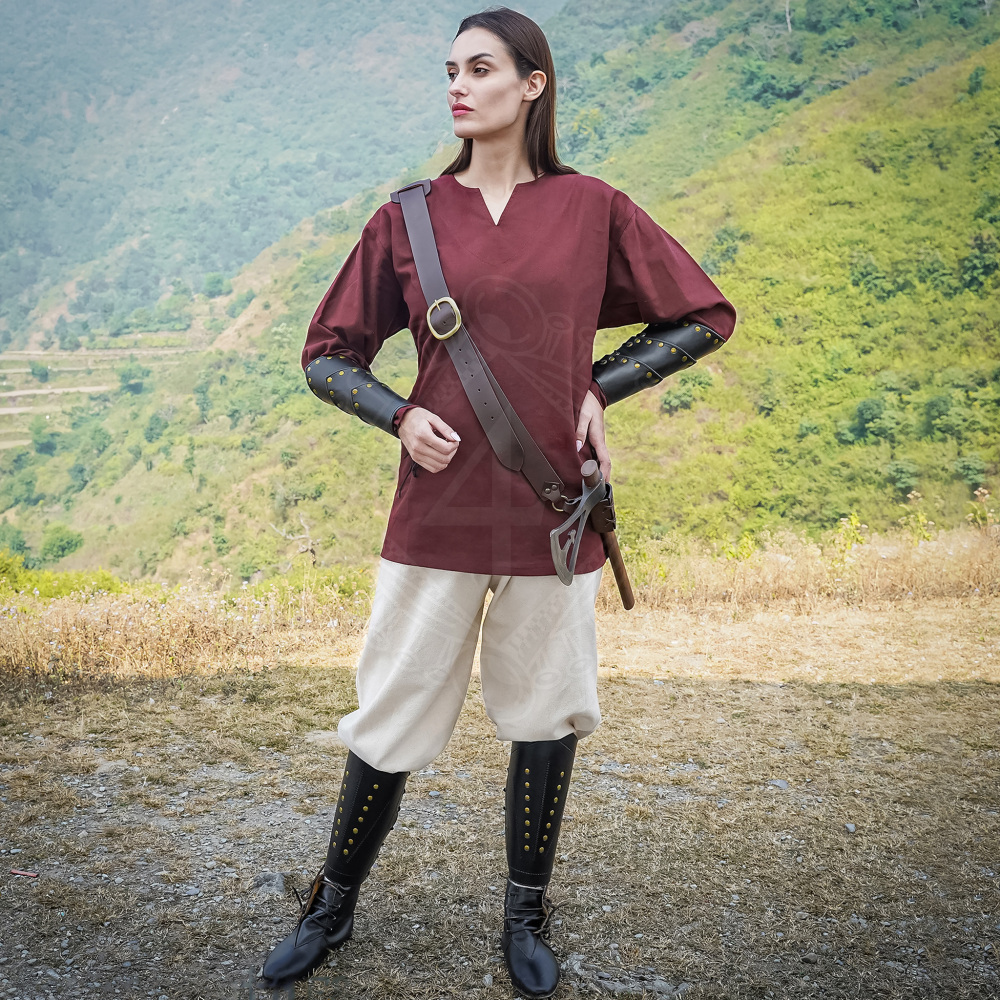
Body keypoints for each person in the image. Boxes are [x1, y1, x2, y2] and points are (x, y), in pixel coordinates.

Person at [259, 7, 736, 997]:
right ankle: (331, 905)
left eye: (480, 69)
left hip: (552, 510)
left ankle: (525, 913)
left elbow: (702, 315)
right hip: (436, 510)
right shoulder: (409, 218)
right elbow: (326, 354)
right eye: (450, 71)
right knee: (391, 711)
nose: (458, 85)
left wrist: (598, 387)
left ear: (532, 84)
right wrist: (398, 417)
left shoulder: (593, 209)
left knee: (545, 713)